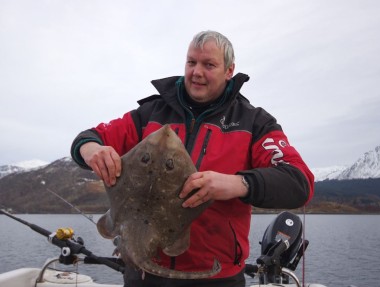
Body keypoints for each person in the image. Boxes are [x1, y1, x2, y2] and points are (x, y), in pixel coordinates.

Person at [70, 30, 314, 287]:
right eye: (191, 62)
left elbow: (299, 182)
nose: (196, 72)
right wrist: (92, 150)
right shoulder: (150, 113)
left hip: (216, 277)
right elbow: (87, 138)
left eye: (209, 64)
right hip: (141, 274)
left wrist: (236, 184)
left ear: (229, 70)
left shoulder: (253, 122)